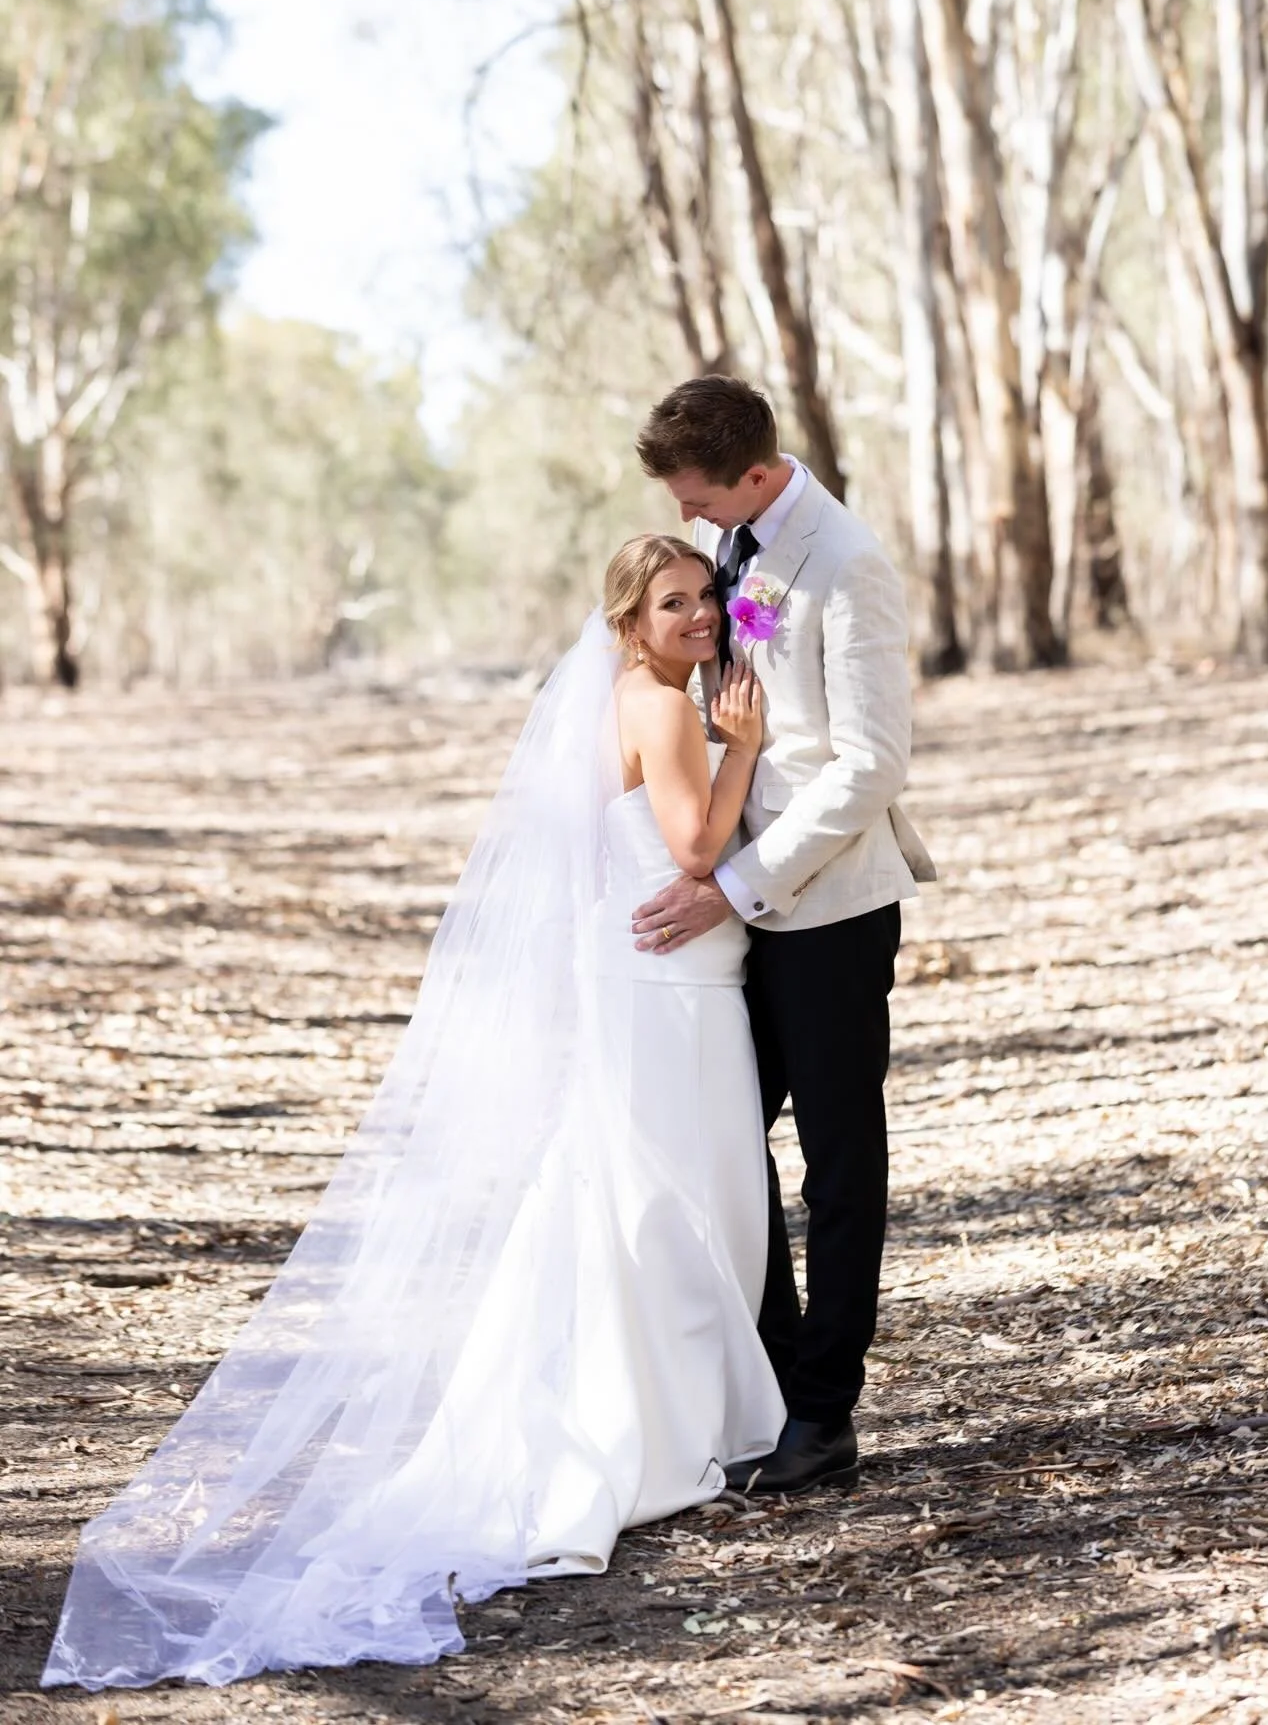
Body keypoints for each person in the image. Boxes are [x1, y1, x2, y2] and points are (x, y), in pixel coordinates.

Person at [42, 535, 785, 1692]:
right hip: (669, 993)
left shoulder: (616, 704)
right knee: (676, 1204)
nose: (698, 616)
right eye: (672, 602)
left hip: (633, 979)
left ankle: (627, 1416)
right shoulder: (673, 711)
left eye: (705, 597)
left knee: (626, 1199)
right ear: (631, 623)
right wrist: (743, 749)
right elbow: (693, 846)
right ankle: (658, 1432)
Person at [631, 375, 935, 1497]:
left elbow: (870, 761)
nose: (693, 515)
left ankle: (824, 1410)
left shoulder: (844, 562)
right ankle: (769, 1365)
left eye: (699, 494)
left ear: (753, 473)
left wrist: (739, 882)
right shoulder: (743, 545)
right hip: (736, 915)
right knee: (719, 1135)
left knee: (840, 1163)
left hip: (830, 910)